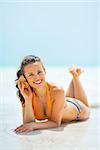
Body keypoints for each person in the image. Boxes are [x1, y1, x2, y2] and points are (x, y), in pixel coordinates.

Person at [14, 55, 90, 133]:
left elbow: (55, 123)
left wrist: (34, 125)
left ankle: (75, 76)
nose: (37, 77)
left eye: (39, 72)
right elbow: (28, 124)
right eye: (30, 74)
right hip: (62, 101)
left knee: (87, 106)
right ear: (24, 78)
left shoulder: (57, 90)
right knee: (64, 98)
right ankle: (74, 75)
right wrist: (28, 99)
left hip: (78, 109)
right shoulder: (26, 93)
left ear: (45, 71)